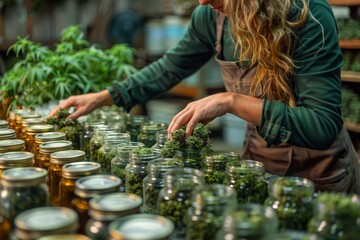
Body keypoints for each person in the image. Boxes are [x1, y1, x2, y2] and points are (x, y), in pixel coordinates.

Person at [50, 0, 360, 194]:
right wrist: (104, 97)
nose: (203, 0)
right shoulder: (210, 16)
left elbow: (322, 125)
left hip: (321, 174)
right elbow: (168, 69)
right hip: (257, 167)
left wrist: (231, 101)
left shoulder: (308, 15)